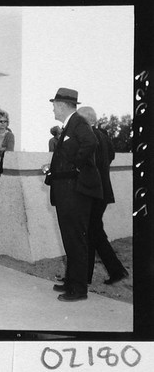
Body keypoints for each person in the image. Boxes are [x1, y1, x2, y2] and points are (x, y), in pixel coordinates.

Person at [45, 87, 103, 302]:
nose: (52, 109)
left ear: (62, 105)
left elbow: (91, 143)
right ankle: (71, 281)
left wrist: (75, 166)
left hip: (75, 192)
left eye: (54, 105)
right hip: (67, 190)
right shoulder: (71, 124)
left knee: (75, 239)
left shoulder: (78, 121)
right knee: (70, 238)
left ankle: (78, 289)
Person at [77, 106, 129, 285]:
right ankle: (105, 272)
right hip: (104, 192)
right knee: (94, 232)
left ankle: (115, 270)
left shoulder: (89, 138)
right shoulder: (105, 137)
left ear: (87, 121)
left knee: (92, 232)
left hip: (92, 193)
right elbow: (111, 157)